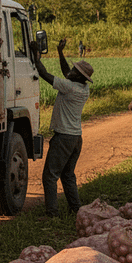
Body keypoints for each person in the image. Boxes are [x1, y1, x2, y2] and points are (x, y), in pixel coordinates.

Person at [30, 38, 93, 218]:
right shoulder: (83, 88)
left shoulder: (69, 87)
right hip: (75, 138)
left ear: (78, 76)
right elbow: (67, 72)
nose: (70, 70)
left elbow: (43, 73)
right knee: (68, 175)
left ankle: (52, 214)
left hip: (64, 138)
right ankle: (76, 209)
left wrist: (36, 54)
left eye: (74, 70)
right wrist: (60, 52)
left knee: (50, 176)